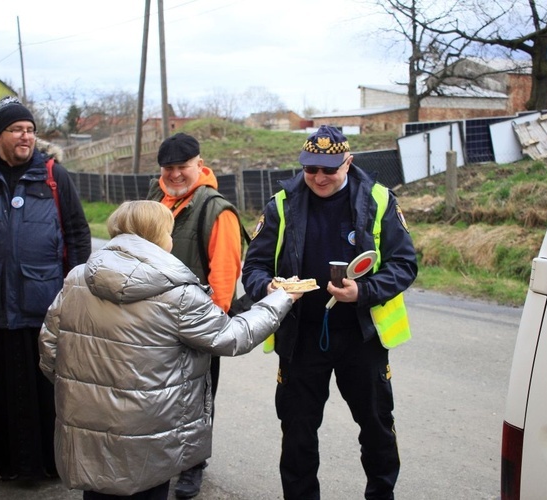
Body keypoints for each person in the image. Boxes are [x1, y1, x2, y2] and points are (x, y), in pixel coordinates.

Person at [38, 200, 300, 500]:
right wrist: (280, 299)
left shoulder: (76, 279)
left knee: (98, 491)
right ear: (159, 235)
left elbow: (49, 348)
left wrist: (82, 393)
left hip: (87, 426)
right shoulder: (177, 294)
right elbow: (232, 337)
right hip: (152, 432)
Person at [241, 125, 418, 499]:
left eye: (329, 169)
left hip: (361, 336)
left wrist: (364, 291)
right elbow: (253, 268)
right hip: (301, 336)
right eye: (311, 169)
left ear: (348, 162)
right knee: (297, 432)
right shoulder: (281, 204)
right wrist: (269, 288)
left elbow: (404, 265)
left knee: (376, 428)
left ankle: (381, 494)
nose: (319, 177)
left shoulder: (379, 201)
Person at [0, 96, 92, 480]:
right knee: (1, 387)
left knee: (46, 388)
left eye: (30, 130)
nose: (26, 137)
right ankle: (6, 462)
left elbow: (77, 232)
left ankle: (49, 462)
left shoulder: (54, 176)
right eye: (17, 130)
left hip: (44, 302)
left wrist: (75, 287)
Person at [146, 132, 244, 498]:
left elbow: (224, 277)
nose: (174, 174)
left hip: (195, 325)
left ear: (199, 165)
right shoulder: (155, 199)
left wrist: (210, 328)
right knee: (159, 399)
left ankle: (192, 466)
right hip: (153, 324)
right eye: (168, 168)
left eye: (182, 167)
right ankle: (164, 459)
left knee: (196, 403)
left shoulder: (216, 209)